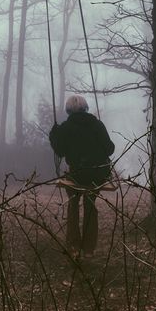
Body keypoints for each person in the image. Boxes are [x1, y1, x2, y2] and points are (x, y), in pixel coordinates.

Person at [49, 95, 115, 258]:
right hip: (96, 174)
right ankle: (89, 249)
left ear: (68, 111)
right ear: (85, 108)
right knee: (90, 204)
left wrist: (54, 136)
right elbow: (110, 149)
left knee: (73, 205)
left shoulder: (65, 128)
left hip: (77, 175)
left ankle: (73, 247)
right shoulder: (97, 124)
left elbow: (60, 151)